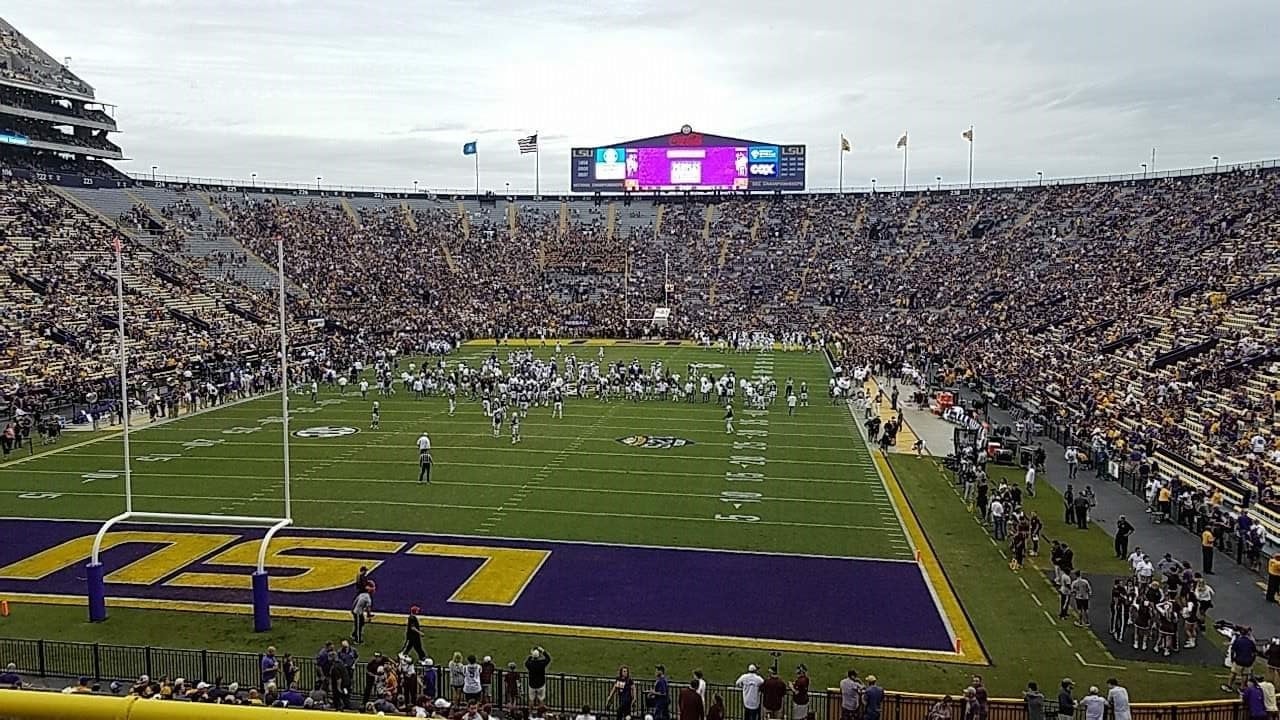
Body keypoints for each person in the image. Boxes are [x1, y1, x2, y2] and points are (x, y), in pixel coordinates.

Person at [1227, 628, 1260, 693]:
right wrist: (1252, 660)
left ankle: (1229, 686)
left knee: (1233, 673)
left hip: (1238, 660)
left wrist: (1232, 659)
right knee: (1245, 675)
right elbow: (1255, 653)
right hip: (1247, 662)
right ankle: (1242, 688)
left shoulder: (1237, 641)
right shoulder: (1250, 642)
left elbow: (1233, 651)